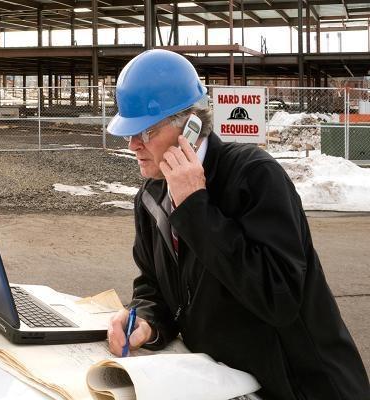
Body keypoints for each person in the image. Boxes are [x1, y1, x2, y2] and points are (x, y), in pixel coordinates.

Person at [106, 49, 369, 400]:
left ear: (191, 125)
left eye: (146, 131)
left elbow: (279, 298)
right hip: (225, 383)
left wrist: (196, 209)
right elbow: (154, 286)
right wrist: (147, 321)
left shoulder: (254, 176)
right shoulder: (151, 196)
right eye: (129, 131)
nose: (133, 144)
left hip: (300, 385)